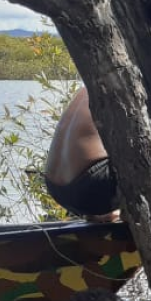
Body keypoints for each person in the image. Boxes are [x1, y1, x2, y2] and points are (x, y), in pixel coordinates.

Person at [44, 86, 119, 222]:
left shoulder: (88, 84)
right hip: (93, 185)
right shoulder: (140, 81)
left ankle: (101, 213)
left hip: (55, 186)